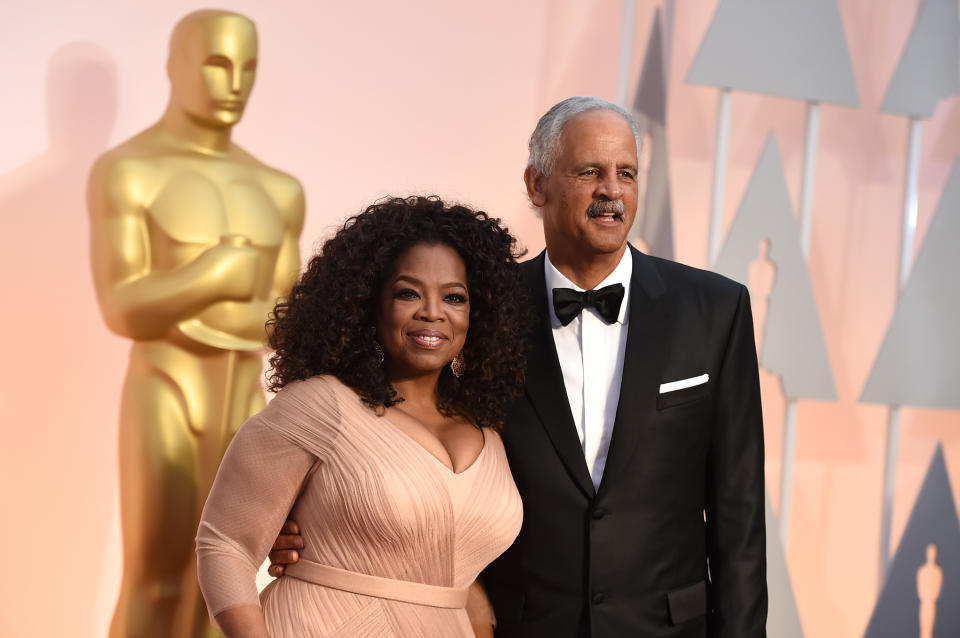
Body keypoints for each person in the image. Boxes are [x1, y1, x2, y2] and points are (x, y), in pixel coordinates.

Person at [271, 97, 768, 637]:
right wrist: (310, 515)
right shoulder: (477, 309)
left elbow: (738, 513)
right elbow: (387, 419)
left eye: (626, 173)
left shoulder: (715, 310)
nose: (612, 191)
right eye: (589, 172)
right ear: (537, 185)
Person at [195, 196, 531, 637]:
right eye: (408, 293)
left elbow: (450, 569)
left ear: (478, 314)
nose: (432, 311)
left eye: (454, 297)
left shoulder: (488, 430)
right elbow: (225, 544)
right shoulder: (319, 406)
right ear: (368, 304)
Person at [87, 10, 304, 637]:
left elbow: (286, 321)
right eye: (216, 62)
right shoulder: (130, 171)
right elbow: (121, 305)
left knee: (231, 579)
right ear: (174, 66)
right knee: (155, 576)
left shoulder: (277, 190)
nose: (233, 82)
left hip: (245, 394)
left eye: (247, 67)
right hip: (165, 382)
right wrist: (212, 275)